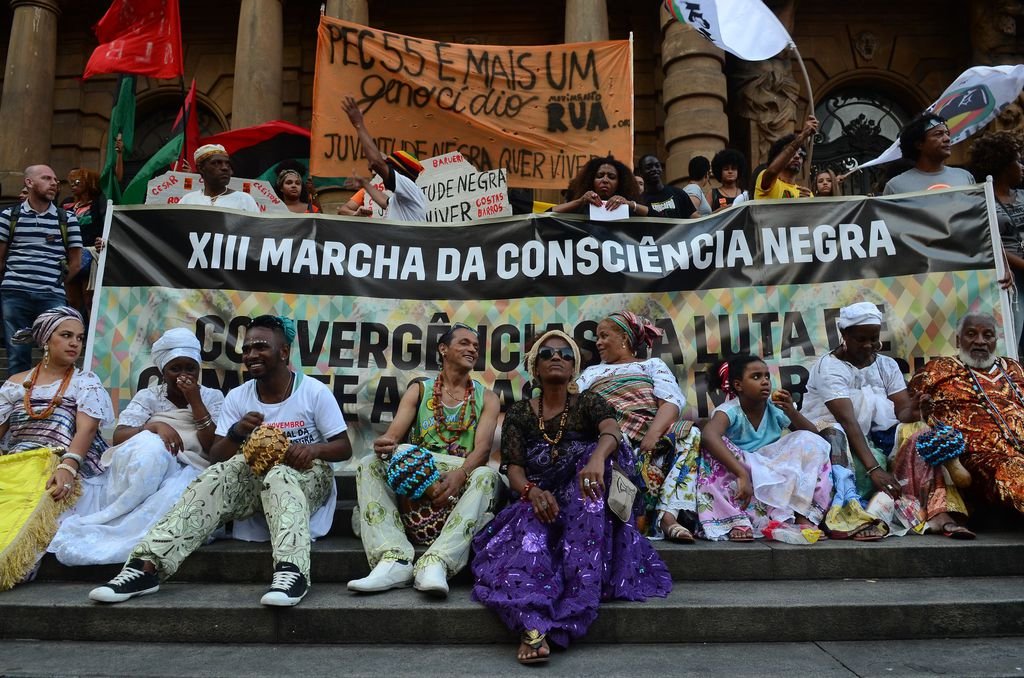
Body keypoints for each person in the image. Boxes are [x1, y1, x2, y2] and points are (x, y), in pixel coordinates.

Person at [89, 315, 352, 607]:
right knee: (217, 476)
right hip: (255, 481)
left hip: (307, 477)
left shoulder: (313, 391)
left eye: (261, 347)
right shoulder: (239, 396)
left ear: (284, 352)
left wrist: (313, 450)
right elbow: (216, 456)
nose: (251, 354)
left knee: (281, 475)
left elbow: (343, 447)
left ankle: (292, 572)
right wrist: (238, 431)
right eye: (248, 348)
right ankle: (146, 567)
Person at [471, 330, 671, 664]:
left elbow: (612, 430)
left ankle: (577, 597)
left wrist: (595, 459)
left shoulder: (589, 402)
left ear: (574, 367)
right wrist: (531, 491)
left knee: (596, 461)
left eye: (565, 354)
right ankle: (532, 626)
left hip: (584, 499)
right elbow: (514, 467)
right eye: (548, 354)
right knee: (528, 542)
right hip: (538, 497)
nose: (557, 358)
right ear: (535, 368)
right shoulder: (520, 412)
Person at [48, 328, 226, 565]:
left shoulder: (212, 397)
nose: (184, 375)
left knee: (177, 494)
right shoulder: (148, 396)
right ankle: (123, 510)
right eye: (175, 368)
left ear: (198, 370)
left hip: (191, 467)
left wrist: (195, 401)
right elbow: (121, 436)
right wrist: (154, 427)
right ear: (163, 371)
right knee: (150, 446)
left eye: (190, 368)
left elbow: (212, 446)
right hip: (149, 471)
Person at [348, 323, 501, 597]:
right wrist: (387, 445)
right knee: (370, 464)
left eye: (476, 346)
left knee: (487, 475)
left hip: (460, 473)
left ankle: (438, 562)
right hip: (424, 474)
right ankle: (393, 559)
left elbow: (483, 450)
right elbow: (394, 436)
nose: (472, 349)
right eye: (464, 343)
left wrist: (460, 475)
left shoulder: (487, 398)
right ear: (443, 349)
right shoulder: (420, 390)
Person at [799, 302, 952, 539]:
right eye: (861, 339)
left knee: (921, 432)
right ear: (845, 335)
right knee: (836, 431)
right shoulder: (828, 368)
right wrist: (875, 469)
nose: (869, 345)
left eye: (874, 338)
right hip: (831, 437)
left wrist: (916, 409)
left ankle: (935, 512)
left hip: (873, 437)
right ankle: (848, 514)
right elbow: (848, 422)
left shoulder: (886, 365)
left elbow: (902, 413)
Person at [0, 307, 111, 590]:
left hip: (63, 463)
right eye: (66, 335)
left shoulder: (84, 382)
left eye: (80, 337)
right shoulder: (15, 384)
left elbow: (87, 429)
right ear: (46, 340)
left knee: (35, 507)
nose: (75, 343)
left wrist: (67, 468)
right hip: (17, 464)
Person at [575, 311, 701, 542]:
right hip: (609, 441)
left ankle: (667, 516)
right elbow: (574, 406)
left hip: (651, 444)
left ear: (624, 338)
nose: (598, 343)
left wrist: (652, 435)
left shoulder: (652, 365)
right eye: (597, 337)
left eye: (604, 336)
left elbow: (671, 403)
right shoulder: (591, 373)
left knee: (690, 433)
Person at [698, 354, 832, 541]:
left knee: (811, 442)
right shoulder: (729, 410)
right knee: (711, 448)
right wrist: (741, 473)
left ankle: (803, 515)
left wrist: (791, 412)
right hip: (742, 467)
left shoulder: (776, 407)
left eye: (767, 376)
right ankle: (735, 520)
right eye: (756, 377)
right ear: (738, 385)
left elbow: (812, 436)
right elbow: (709, 435)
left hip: (770, 466)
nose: (765, 382)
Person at [906, 312, 1024, 517]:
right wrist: (920, 414)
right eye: (971, 334)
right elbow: (907, 412)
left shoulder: (1014, 368)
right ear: (958, 339)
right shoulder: (936, 371)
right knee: (1013, 470)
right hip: (978, 458)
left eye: (988, 335)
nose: (980, 341)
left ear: (996, 340)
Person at [0, 165, 83, 377]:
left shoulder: (67, 219)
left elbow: (75, 262)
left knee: (58, 351)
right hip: (15, 294)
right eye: (46, 178)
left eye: (55, 179)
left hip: (51, 296)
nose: (54, 183)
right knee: (17, 353)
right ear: (29, 183)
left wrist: (57, 284)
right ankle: (18, 401)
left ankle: (50, 398)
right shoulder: (9, 216)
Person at [970, 131, 1024, 351]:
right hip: (1008, 278)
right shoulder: (981, 200)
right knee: (1014, 335)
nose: (1022, 166)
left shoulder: (1022, 195)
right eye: (1017, 161)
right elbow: (985, 239)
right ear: (1002, 166)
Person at [341, 95, 426, 222]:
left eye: (390, 167)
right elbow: (384, 201)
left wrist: (358, 125)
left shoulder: (408, 186)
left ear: (401, 173)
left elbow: (376, 163)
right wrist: (365, 184)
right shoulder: (403, 197)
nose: (384, 173)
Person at [883, 113, 975, 195]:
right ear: (919, 144)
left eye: (947, 133)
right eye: (938, 134)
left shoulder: (965, 177)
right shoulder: (895, 187)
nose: (947, 139)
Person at [65, 168, 106, 315]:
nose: (72, 185)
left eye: (77, 181)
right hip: (68, 256)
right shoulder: (66, 205)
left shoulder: (98, 204)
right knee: (72, 302)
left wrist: (103, 240)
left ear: (89, 183)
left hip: (90, 255)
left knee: (90, 302)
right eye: (71, 182)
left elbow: (107, 226)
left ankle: (89, 335)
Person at [551, 156, 649, 217]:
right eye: (599, 176)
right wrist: (580, 201)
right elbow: (545, 215)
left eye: (611, 177)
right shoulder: (580, 207)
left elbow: (657, 217)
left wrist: (628, 204)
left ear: (620, 183)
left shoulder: (626, 207)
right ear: (590, 180)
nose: (605, 180)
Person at [178, 144, 260, 213]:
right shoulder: (187, 201)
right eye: (216, 163)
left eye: (227, 164)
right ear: (201, 168)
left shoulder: (244, 200)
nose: (225, 168)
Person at [754, 115, 818, 200]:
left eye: (801, 154)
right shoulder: (765, 180)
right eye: (792, 153)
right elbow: (773, 171)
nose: (797, 157)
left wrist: (806, 205)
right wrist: (802, 136)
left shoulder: (806, 194)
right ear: (777, 158)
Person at [637, 154, 696, 219]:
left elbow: (694, 218)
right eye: (649, 167)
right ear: (640, 172)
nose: (654, 169)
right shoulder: (640, 201)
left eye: (657, 166)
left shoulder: (678, 193)